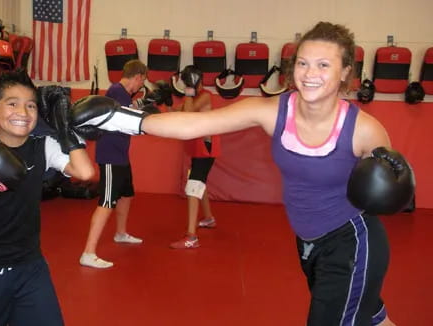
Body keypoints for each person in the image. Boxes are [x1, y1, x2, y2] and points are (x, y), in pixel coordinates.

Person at [69, 22, 416, 325]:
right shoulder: (272, 111)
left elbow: (390, 182)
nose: (310, 73)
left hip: (352, 243)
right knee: (370, 317)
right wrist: (123, 120)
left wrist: (395, 185)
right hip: (309, 243)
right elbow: (196, 124)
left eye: (324, 65)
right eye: (304, 63)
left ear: (344, 72)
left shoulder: (363, 129)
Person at [0, 69, 95, 326]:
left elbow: (85, 172)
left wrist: (65, 129)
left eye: (31, 106)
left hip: (30, 266)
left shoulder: (42, 146)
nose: (23, 114)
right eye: (12, 104)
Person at [78, 59, 147, 269]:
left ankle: (121, 233)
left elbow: (126, 111)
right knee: (107, 202)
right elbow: (127, 120)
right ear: (137, 77)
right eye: (141, 81)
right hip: (110, 156)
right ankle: (88, 253)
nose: (140, 86)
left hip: (121, 155)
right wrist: (145, 114)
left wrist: (141, 103)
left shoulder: (123, 95)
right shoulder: (117, 91)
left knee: (126, 194)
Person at [169, 65, 220, 249]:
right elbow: (179, 112)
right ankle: (208, 218)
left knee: (193, 186)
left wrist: (189, 93)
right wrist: (165, 103)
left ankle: (192, 237)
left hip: (206, 148)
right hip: (198, 147)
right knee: (199, 182)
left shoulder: (205, 95)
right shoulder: (193, 97)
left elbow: (189, 115)